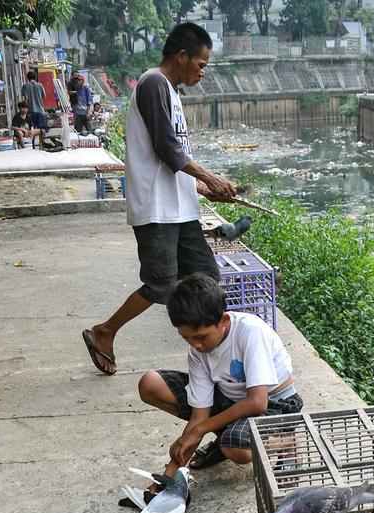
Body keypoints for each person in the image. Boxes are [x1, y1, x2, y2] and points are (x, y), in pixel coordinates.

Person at [82, 22, 237, 376]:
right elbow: (167, 150)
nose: (202, 72)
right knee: (161, 285)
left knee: (207, 279)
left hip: (180, 210)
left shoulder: (170, 91)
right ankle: (104, 331)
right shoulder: (153, 83)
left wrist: (203, 189)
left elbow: (172, 160)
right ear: (181, 56)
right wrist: (210, 176)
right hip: (156, 211)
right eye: (200, 64)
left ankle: (211, 351)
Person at [137, 273, 302, 475]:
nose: (196, 345)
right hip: (229, 398)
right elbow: (200, 415)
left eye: (201, 337)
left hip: (274, 403)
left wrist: (200, 429)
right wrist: (168, 478)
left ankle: (288, 441)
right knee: (150, 384)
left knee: (236, 449)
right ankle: (228, 435)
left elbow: (257, 402)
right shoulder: (197, 352)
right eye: (187, 338)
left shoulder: (250, 331)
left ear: (223, 320)